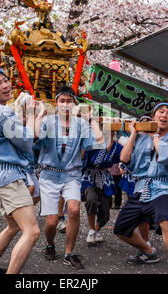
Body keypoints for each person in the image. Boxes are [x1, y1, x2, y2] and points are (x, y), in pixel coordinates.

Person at [34, 85, 104, 269]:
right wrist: (40, 115)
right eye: (61, 101)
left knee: (73, 210)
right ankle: (50, 245)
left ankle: (69, 253)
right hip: (49, 174)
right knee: (52, 222)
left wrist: (92, 120)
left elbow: (97, 143)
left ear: (74, 104)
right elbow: (34, 137)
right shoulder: (48, 121)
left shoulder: (81, 124)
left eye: (69, 101)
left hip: (72, 174)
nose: (65, 104)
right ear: (56, 104)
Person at [0, 67, 41, 274]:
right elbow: (25, 141)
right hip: (9, 177)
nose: (5, 85)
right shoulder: (2, 111)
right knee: (32, 231)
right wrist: (34, 114)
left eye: (6, 80)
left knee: (14, 227)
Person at [113, 102, 168, 274]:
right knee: (121, 229)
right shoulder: (141, 137)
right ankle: (149, 251)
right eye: (160, 112)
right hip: (139, 187)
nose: (164, 115)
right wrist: (133, 135)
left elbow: (167, 156)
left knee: (165, 221)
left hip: (161, 186)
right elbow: (124, 158)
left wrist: (155, 136)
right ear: (153, 116)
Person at [81, 130, 122, 245]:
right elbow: (84, 157)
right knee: (91, 200)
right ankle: (91, 230)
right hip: (90, 176)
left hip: (105, 178)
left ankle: (97, 230)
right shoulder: (92, 143)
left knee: (105, 210)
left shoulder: (115, 145)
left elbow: (123, 157)